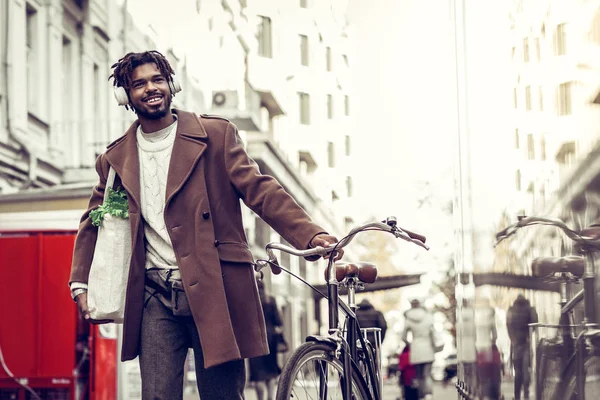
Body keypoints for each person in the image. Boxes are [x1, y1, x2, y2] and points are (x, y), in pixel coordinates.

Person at [68, 50, 342, 400]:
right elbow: (94, 220)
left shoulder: (215, 135)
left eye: (157, 80)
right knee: (156, 396)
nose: (151, 89)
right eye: (139, 84)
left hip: (215, 287)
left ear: (171, 84)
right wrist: (80, 283)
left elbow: (260, 190)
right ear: (124, 95)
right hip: (155, 294)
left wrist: (310, 233)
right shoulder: (115, 158)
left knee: (222, 395)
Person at [249, 280, 284, 400]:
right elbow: (279, 322)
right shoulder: (271, 300)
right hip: (270, 339)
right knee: (271, 370)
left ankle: (261, 398)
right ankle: (270, 397)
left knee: (258, 373)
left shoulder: (249, 301)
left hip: (253, 339)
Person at [402, 298, 435, 400]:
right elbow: (433, 333)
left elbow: (403, 337)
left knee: (419, 376)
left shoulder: (408, 318)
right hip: (428, 347)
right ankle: (428, 395)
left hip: (416, 347)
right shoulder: (428, 316)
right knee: (427, 374)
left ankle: (421, 396)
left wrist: (410, 343)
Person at [507, 294, 538, 400]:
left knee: (518, 371)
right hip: (526, 343)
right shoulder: (529, 308)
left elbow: (508, 324)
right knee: (526, 370)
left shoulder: (512, 309)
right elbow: (534, 323)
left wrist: (513, 338)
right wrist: (529, 336)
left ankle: (516, 396)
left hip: (516, 344)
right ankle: (526, 394)